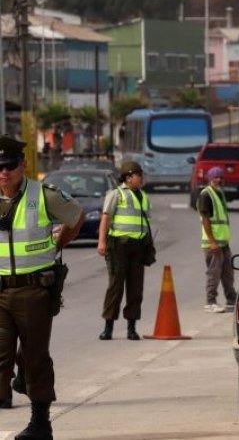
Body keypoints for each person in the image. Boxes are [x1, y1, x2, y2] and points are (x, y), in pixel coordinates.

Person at [0, 134, 84, 440]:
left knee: (35, 357)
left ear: (23, 164)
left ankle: (40, 423)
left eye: (10, 165)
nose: (4, 172)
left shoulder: (43, 195)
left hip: (33, 289)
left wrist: (57, 244)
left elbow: (76, 217)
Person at [97, 161, 151, 340]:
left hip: (138, 246)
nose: (141, 178)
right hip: (118, 246)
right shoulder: (116, 194)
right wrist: (101, 242)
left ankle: (131, 328)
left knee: (136, 288)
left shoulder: (144, 196)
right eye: (138, 175)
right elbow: (105, 219)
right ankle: (108, 328)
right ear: (128, 177)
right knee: (116, 286)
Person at [197, 166, 237, 313]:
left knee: (228, 273)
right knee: (214, 273)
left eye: (221, 177)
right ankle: (210, 302)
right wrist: (212, 241)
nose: (219, 180)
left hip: (223, 242)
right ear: (209, 179)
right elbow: (205, 219)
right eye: (215, 177)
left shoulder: (219, 193)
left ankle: (231, 300)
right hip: (213, 243)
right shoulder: (206, 194)